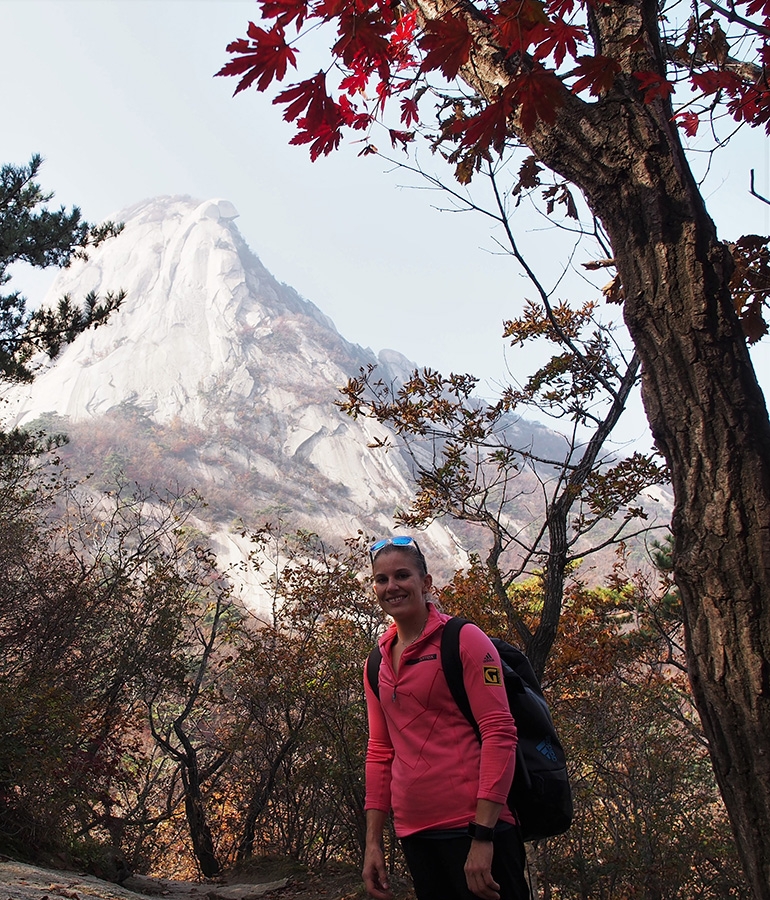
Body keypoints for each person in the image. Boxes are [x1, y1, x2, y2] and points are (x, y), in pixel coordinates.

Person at [362, 536, 530, 900]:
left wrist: (482, 836)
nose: (392, 587)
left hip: (475, 829)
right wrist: (373, 843)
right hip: (415, 833)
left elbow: (499, 734)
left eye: (402, 575)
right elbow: (380, 752)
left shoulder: (465, 640)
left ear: (426, 583)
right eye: (381, 579)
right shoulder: (375, 662)